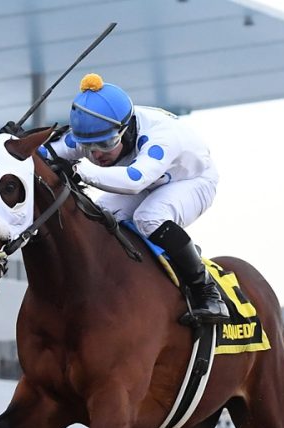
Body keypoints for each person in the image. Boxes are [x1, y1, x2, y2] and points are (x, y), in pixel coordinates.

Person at [50, 73, 229, 324]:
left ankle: (206, 292)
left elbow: (135, 180)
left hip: (190, 181)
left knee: (150, 217)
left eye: (106, 143)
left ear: (126, 128)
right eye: (88, 148)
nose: (97, 154)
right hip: (151, 181)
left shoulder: (162, 136)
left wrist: (79, 169)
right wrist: (7, 143)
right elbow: (41, 154)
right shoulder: (96, 131)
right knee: (97, 215)